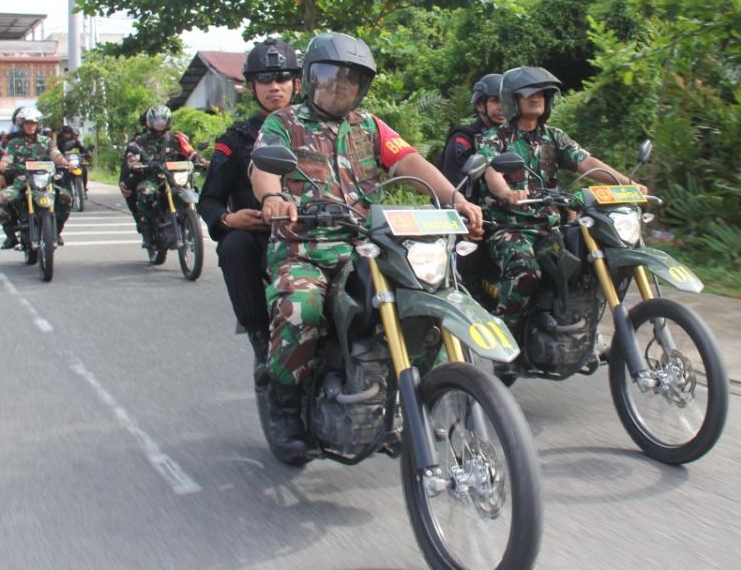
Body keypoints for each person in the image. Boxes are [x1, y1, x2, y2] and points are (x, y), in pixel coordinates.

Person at [251, 31, 484, 464]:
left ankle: (409, 397)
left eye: (351, 78)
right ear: (310, 77)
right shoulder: (283, 122)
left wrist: (456, 199)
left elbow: (412, 163)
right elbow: (264, 169)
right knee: (300, 307)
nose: (340, 84)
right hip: (305, 246)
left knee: (423, 299)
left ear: (362, 85)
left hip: (366, 243)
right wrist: (272, 199)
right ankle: (284, 409)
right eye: (329, 75)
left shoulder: (371, 127)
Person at [476, 66, 644, 341]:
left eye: (542, 92)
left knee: (589, 263)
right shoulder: (496, 138)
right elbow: (491, 170)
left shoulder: (554, 136)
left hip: (551, 226)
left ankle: (582, 328)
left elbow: (586, 164)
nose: (537, 97)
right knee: (526, 273)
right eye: (528, 92)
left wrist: (626, 183)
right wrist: (506, 192)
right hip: (511, 227)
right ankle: (506, 339)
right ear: (512, 99)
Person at [199, 38, 301, 389]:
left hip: (319, 233)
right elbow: (209, 199)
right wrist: (229, 220)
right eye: (265, 80)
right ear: (252, 87)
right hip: (263, 238)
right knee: (234, 245)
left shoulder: (317, 131)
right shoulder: (237, 138)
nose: (275, 87)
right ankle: (261, 342)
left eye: (283, 78)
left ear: (297, 84)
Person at [0, 107, 72, 250]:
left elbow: (56, 154)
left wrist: (66, 163)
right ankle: (11, 236)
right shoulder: (14, 143)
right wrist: (1, 169)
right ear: (21, 125)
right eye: (27, 123)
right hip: (22, 182)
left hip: (46, 181)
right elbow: (7, 158)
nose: (31, 126)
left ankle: (57, 232)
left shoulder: (46, 141)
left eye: (33, 123)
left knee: (66, 198)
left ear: (38, 125)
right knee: (0, 200)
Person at [124, 105, 203, 248]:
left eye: (163, 119)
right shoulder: (140, 141)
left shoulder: (177, 139)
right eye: (157, 119)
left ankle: (192, 225)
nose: (160, 122)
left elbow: (191, 152)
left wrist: (200, 160)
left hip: (176, 178)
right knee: (145, 192)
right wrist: (134, 163)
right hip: (153, 179)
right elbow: (131, 156)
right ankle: (148, 231)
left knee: (195, 191)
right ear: (149, 121)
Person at [439, 72, 506, 196]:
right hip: (469, 207)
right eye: (496, 101)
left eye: (506, 101)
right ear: (480, 105)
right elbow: (455, 184)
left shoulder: (513, 138)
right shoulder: (464, 138)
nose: (502, 107)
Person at [55, 124, 91, 191]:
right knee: (58, 174)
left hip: (72, 160)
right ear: (63, 133)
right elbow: (55, 151)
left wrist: (87, 152)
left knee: (84, 169)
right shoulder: (58, 140)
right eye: (66, 134)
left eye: (69, 134)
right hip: (62, 161)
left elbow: (81, 148)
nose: (67, 135)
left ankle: (84, 187)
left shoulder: (74, 140)